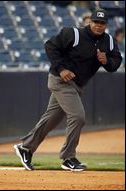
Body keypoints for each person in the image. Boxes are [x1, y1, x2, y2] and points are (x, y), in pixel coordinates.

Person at [14, 8, 122, 172]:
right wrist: (61, 68)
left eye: (102, 23)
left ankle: (25, 147)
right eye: (96, 22)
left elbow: (115, 63)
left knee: (51, 119)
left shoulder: (109, 41)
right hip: (60, 80)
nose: (99, 26)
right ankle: (68, 157)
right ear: (89, 22)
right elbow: (50, 46)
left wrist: (107, 61)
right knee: (78, 116)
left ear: (106, 25)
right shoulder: (74, 34)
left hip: (76, 85)